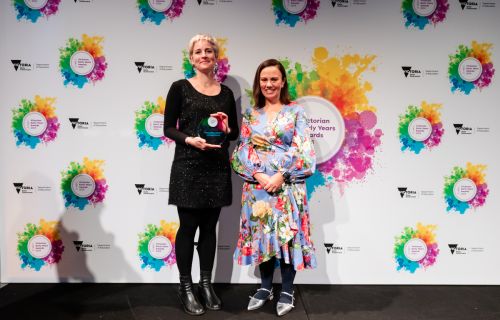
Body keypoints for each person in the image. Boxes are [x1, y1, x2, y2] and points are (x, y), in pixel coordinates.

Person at [230, 59, 317, 317]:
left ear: (282, 82)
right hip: (257, 188)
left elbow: (305, 151)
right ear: (259, 83)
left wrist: (281, 175)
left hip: (287, 187)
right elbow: (241, 151)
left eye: (273, 79)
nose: (269, 84)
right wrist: (258, 174)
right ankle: (265, 287)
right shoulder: (250, 115)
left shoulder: (295, 112)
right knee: (263, 237)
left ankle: (287, 290)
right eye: (264, 79)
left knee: (287, 238)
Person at [163, 34, 239, 316]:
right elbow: (168, 128)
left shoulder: (226, 93)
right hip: (188, 166)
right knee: (188, 228)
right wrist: (189, 140)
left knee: (209, 230)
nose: (204, 55)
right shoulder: (179, 88)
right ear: (191, 58)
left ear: (215, 57)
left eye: (209, 50)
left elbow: (235, 133)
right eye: (198, 51)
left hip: (216, 168)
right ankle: (186, 288)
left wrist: (226, 130)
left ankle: (206, 284)